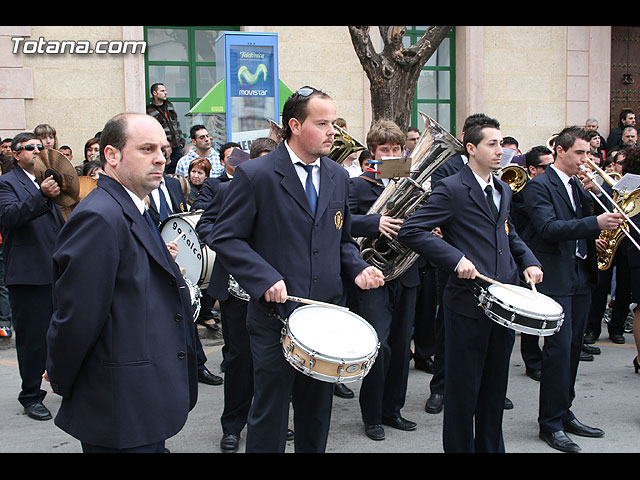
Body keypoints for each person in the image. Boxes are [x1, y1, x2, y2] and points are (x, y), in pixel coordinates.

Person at [205, 86, 384, 453]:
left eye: (333, 122)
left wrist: (358, 268)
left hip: (326, 315)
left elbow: (342, 238)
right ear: (295, 126)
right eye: (323, 123)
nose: (333, 131)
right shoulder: (256, 175)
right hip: (275, 318)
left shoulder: (337, 175)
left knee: (316, 413)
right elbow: (226, 236)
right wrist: (264, 276)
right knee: (269, 413)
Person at [45, 112, 198, 453]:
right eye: (146, 149)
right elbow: (77, 318)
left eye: (164, 149)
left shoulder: (133, 207)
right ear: (111, 155)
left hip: (143, 402)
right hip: (120, 406)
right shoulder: (99, 216)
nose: (160, 157)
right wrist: (61, 377)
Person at [398, 114, 543, 453]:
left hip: (506, 303)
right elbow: (412, 230)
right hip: (467, 303)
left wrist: (529, 261)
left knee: (494, 389)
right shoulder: (451, 188)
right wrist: (455, 258)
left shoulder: (504, 189)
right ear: (471, 148)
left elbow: (509, 233)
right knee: (463, 393)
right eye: (492, 144)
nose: (500, 151)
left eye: (501, 143)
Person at [520, 125, 624, 453]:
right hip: (556, 278)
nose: (585, 159)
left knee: (573, 352)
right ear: (560, 151)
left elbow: (580, 221)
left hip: (580, 275)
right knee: (557, 353)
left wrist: (594, 195)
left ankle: (564, 412)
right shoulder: (539, 186)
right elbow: (549, 228)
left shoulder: (576, 186)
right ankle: (549, 423)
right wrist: (596, 223)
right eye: (579, 153)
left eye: (588, 153)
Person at [348, 119, 421, 442]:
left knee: (403, 345)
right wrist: (374, 223)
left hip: (406, 274)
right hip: (374, 275)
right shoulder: (358, 186)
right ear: (373, 153)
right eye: (385, 150)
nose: (392, 154)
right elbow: (342, 223)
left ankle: (393, 409)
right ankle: (373, 414)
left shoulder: (413, 185)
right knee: (380, 346)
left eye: (397, 149)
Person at [0, 132, 63, 421]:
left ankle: (61, 383)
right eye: (30, 148)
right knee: (32, 340)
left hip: (55, 271)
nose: (37, 150)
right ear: (16, 154)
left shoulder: (48, 180)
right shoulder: (6, 183)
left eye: (40, 146)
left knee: (60, 335)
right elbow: (10, 217)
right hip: (28, 275)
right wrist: (42, 195)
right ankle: (30, 395)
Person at [196, 146, 254, 453]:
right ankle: (232, 425)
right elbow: (204, 225)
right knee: (238, 362)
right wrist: (228, 240)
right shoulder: (225, 190)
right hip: (236, 292)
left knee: (271, 363)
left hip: (274, 292)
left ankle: (266, 418)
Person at [510, 145, 555, 382]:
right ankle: (532, 359)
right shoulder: (521, 191)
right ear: (532, 169)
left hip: (546, 256)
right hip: (529, 252)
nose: (550, 170)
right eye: (545, 167)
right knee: (532, 311)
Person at [146, 82, 185, 173]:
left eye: (165, 90)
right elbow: (152, 130)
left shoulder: (169, 105)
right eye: (162, 91)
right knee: (165, 170)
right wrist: (163, 144)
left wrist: (181, 140)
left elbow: (176, 123)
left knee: (179, 171)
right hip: (164, 147)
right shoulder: (149, 110)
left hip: (177, 145)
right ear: (154, 93)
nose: (165, 92)